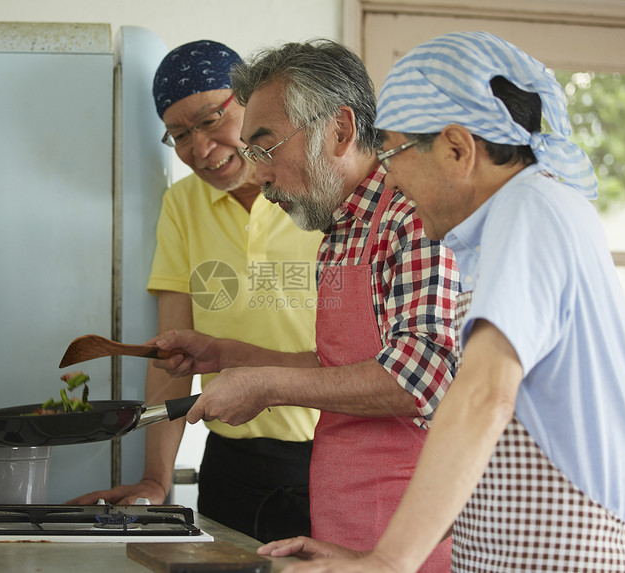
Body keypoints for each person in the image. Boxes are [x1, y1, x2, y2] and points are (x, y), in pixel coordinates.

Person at [257, 31, 625, 572]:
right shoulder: (539, 212)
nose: (390, 174)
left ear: (456, 148)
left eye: (395, 151)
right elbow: (510, 445)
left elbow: (482, 398)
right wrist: (371, 551)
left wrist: (388, 562)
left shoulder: (529, 211)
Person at [150, 40, 458, 570]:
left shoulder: (410, 215)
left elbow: (421, 375)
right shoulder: (338, 229)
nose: (260, 175)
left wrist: (268, 386)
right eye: (253, 154)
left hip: (411, 542)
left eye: (266, 149)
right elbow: (342, 369)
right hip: (346, 524)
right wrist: (228, 353)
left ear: (339, 130)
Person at [67, 40, 323, 544]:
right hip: (231, 465)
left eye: (209, 121)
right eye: (179, 134)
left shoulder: (316, 190)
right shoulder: (183, 204)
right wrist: (156, 479)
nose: (199, 149)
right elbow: (171, 351)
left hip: (330, 456)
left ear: (250, 102)